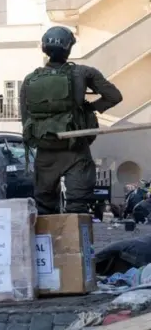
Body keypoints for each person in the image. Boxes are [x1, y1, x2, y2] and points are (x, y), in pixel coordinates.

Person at [20, 26, 123, 215]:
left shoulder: (29, 80)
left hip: (45, 151)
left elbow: (26, 119)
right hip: (75, 151)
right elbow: (114, 96)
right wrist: (89, 108)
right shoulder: (83, 73)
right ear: (69, 48)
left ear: (44, 48)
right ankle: (75, 243)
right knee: (77, 208)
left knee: (44, 207)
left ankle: (48, 243)